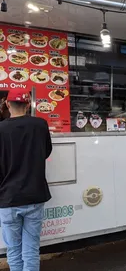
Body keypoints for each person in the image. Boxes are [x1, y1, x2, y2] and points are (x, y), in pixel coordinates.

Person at [0, 89, 52, 271]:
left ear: (7, 104)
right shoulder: (40, 125)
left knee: (13, 250)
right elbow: (46, 152)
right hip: (35, 195)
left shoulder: (1, 129)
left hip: (8, 198)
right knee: (31, 248)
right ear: (29, 105)